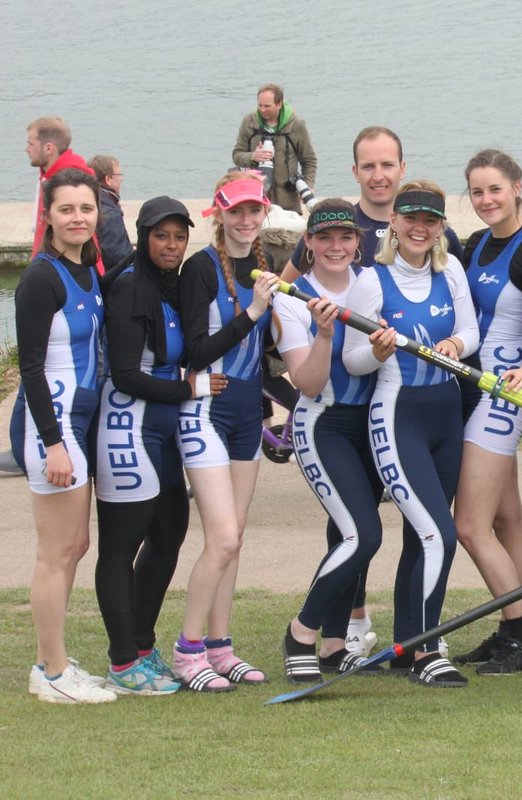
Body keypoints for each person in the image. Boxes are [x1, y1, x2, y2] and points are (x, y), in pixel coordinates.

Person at [344, 183, 479, 687]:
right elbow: (352, 361)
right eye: (410, 218)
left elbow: (472, 333)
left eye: (430, 220)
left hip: (445, 416)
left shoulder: (452, 271)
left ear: (440, 228)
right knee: (438, 534)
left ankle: (406, 645)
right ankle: (427, 652)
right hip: (397, 416)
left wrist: (455, 343)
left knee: (420, 540)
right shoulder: (372, 282)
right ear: (394, 224)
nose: (420, 227)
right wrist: (377, 352)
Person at [94, 197, 220, 695]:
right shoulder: (129, 288)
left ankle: (143, 647)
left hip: (165, 428)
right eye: (161, 236)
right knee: (120, 547)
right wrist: (190, 390)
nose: (171, 246)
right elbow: (126, 375)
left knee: (169, 534)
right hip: (128, 426)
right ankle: (123, 662)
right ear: (144, 237)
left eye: (179, 237)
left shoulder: (171, 286)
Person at [450, 149, 522, 675]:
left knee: (469, 524)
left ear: (517, 187)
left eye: (495, 188)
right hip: (474, 390)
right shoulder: (475, 244)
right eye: (477, 191)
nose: (487, 199)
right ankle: (507, 627)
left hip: (505, 396)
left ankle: (521, 637)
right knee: (504, 515)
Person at [173, 173, 279, 692]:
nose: (244, 220)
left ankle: (221, 647)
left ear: (264, 215)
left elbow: (270, 352)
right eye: (235, 211)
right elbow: (197, 352)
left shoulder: (264, 267)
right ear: (218, 213)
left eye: (253, 211)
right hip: (205, 413)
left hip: (246, 417)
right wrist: (256, 309)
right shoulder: (200, 268)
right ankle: (187, 650)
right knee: (223, 538)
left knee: (235, 541)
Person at [12, 168, 114, 703]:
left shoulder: (87, 266)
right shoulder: (41, 278)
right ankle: (51, 674)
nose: (78, 218)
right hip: (52, 423)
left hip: (79, 421)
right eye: (66, 209)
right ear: (48, 215)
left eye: (86, 208)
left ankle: (55, 662)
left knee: (76, 544)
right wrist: (52, 442)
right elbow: (30, 367)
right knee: (55, 552)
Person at [276, 199, 388, 682]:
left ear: (358, 243)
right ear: (309, 244)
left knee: (345, 534)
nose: (335, 247)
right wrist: (324, 334)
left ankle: (336, 644)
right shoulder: (291, 296)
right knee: (364, 535)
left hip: (374, 423)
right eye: (324, 238)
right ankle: (301, 632)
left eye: (345, 238)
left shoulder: (372, 283)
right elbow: (307, 383)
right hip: (323, 424)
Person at [280, 125, 464, 287]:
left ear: (402, 169)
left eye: (387, 165)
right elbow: (283, 290)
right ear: (356, 172)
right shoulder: (334, 226)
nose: (378, 176)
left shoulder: (434, 233)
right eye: (368, 167)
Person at [231, 84, 317, 213]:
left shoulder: (296, 125)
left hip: (288, 202)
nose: (262, 110)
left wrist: (308, 185)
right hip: (256, 199)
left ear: (279, 104)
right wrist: (253, 157)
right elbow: (237, 155)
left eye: (267, 106)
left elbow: (309, 160)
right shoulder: (249, 122)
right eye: (260, 105)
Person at [24, 117, 93, 255]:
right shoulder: (48, 177)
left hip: (61, 265)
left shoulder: (70, 184)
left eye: (31, 144)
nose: (26, 149)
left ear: (48, 148)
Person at [88, 154, 133, 269]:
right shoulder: (111, 214)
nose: (121, 178)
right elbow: (118, 257)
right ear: (108, 179)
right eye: (119, 174)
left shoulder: (89, 202)